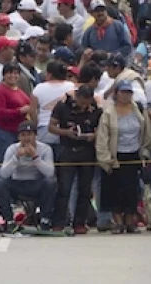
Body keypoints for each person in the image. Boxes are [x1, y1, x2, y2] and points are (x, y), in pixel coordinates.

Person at [96, 79, 151, 234]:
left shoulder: (139, 111)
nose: (126, 95)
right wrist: (105, 159)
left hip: (133, 155)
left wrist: (145, 152)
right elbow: (102, 138)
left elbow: (146, 133)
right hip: (115, 156)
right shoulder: (108, 113)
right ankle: (118, 222)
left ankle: (130, 221)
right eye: (123, 92)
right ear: (116, 93)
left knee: (131, 191)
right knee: (113, 190)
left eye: (129, 92)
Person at [49, 84, 101, 233]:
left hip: (87, 151)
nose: (84, 106)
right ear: (77, 97)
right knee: (64, 188)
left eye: (87, 103)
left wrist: (94, 136)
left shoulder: (95, 108)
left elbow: (102, 128)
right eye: (82, 102)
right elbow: (51, 127)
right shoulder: (63, 106)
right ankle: (59, 222)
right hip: (68, 150)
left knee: (85, 189)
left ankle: (79, 222)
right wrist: (65, 132)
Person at [0, 120, 57, 232]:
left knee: (51, 182)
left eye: (30, 135)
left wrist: (35, 157)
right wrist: (16, 158)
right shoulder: (12, 149)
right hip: (17, 183)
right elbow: (4, 174)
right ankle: (9, 220)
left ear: (35, 135)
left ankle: (45, 219)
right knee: (0, 183)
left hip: (36, 184)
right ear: (19, 137)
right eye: (23, 135)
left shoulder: (45, 149)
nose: (27, 138)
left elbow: (49, 172)